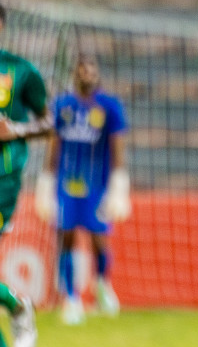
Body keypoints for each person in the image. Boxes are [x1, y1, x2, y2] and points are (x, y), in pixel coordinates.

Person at [36, 55, 131, 325]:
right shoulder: (62, 106)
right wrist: (46, 183)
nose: (87, 74)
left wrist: (119, 185)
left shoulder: (110, 107)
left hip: (97, 186)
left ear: (97, 74)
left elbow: (117, 147)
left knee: (99, 238)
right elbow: (54, 146)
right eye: (82, 70)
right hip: (67, 185)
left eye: (91, 70)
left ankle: (102, 284)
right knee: (65, 237)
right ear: (75, 74)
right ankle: (71, 299)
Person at [0, 0, 45, 347]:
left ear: (0, 23)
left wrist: (16, 131)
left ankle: (16, 306)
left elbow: (49, 121)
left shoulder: (20, 70)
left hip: (0, 180)